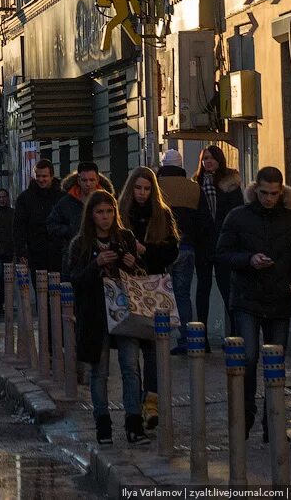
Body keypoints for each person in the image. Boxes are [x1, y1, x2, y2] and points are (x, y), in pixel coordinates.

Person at [217, 167, 291, 441]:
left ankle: (274, 424)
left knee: (275, 363)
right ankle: (245, 416)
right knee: (247, 358)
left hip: (280, 298)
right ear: (255, 190)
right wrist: (249, 260)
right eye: (264, 193)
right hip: (247, 297)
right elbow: (222, 254)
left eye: (274, 194)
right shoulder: (238, 217)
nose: (269, 198)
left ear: (281, 192)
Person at [65, 190, 149, 445]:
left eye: (110, 212)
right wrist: (96, 263)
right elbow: (74, 279)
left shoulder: (125, 237)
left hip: (125, 312)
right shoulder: (81, 243)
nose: (106, 217)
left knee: (131, 368)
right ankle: (103, 423)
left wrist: (131, 262)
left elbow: (140, 277)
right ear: (91, 215)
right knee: (99, 371)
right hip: (95, 314)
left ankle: (134, 422)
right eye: (100, 212)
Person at [118, 166, 180, 432]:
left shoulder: (162, 215)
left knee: (154, 353)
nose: (142, 193)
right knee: (130, 358)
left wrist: (145, 250)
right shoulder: (120, 214)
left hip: (154, 289)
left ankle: (152, 405)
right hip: (125, 289)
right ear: (131, 189)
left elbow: (171, 252)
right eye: (138, 188)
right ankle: (133, 411)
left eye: (146, 189)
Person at [193, 145, 244, 343]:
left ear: (219, 159)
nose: (208, 161)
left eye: (212, 157)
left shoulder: (230, 182)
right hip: (203, 244)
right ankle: (201, 337)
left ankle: (235, 335)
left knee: (227, 288)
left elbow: (236, 212)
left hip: (223, 244)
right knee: (203, 289)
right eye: (205, 158)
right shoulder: (195, 183)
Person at [156, 149, 204, 355]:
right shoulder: (194, 188)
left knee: (161, 293)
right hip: (187, 248)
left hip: (160, 248)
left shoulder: (155, 187)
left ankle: (161, 336)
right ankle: (186, 338)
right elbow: (204, 220)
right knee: (183, 295)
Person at [48, 161, 114, 260]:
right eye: (84, 180)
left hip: (103, 256)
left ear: (97, 180)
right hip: (73, 257)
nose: (88, 184)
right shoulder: (66, 202)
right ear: (79, 181)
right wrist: (71, 230)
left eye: (91, 180)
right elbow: (51, 224)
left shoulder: (107, 201)